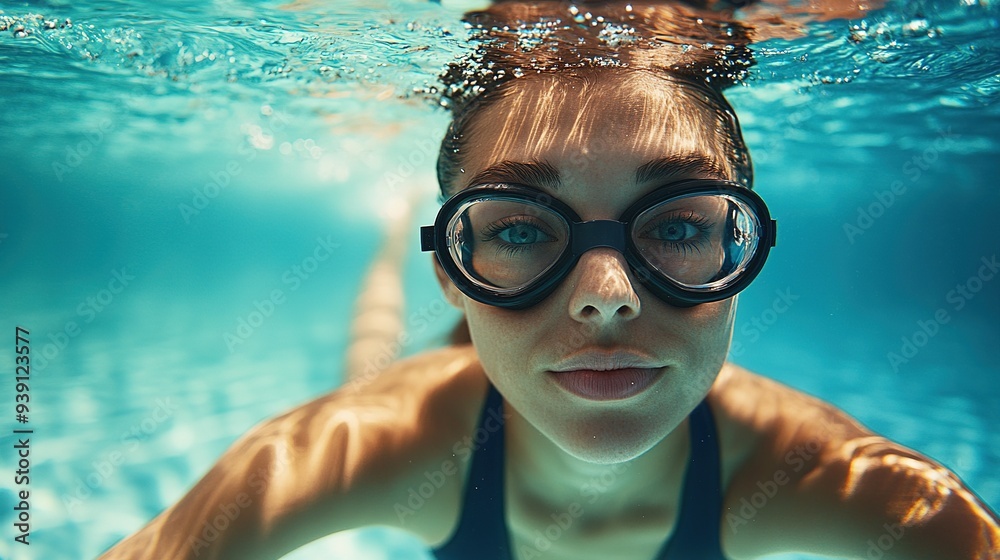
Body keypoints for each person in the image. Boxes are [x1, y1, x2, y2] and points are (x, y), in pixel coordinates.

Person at [99, 1, 1000, 559]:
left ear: (740, 254)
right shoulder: (373, 444)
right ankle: (392, 237)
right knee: (367, 364)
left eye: (679, 226)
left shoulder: (834, 479)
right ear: (451, 272)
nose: (606, 292)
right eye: (519, 228)